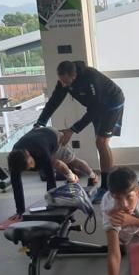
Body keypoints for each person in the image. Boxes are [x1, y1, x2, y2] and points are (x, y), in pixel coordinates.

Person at [35, 60, 124, 200]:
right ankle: (106, 179)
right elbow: (54, 102)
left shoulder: (90, 77)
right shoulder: (65, 81)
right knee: (100, 143)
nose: (63, 85)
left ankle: (106, 186)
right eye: (61, 82)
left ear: (74, 76)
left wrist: (72, 130)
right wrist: (40, 123)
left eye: (66, 82)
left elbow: (95, 109)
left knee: (101, 142)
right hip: (97, 107)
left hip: (112, 103)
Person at [7, 126, 97, 218]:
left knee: (72, 161)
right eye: (28, 168)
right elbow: (16, 185)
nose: (32, 167)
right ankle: (72, 177)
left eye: (30, 163)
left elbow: (51, 179)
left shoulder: (42, 152)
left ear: (28, 154)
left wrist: (53, 205)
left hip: (53, 136)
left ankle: (93, 175)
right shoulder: (14, 161)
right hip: (37, 138)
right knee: (54, 163)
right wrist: (20, 210)